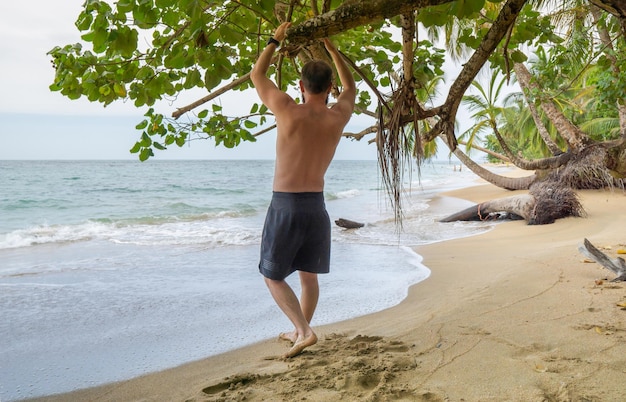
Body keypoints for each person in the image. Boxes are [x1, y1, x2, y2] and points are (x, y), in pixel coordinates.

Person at [250, 21, 356, 358]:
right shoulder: (337, 116)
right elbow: (351, 87)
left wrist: (274, 41)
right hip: (316, 208)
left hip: (286, 206)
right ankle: (299, 331)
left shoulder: (286, 109)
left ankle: (306, 330)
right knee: (308, 278)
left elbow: (257, 75)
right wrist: (334, 51)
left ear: (300, 86)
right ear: (329, 89)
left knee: (272, 276)